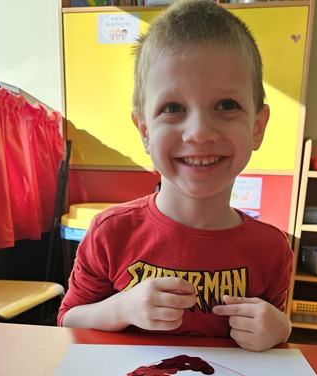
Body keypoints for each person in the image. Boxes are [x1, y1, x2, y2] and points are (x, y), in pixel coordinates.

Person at [58, 0, 293, 352]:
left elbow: (274, 340)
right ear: (145, 131)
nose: (199, 132)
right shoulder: (110, 233)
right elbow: (68, 320)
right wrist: (121, 308)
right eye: (173, 108)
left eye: (226, 105)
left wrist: (281, 328)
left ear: (257, 128)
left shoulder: (272, 250)